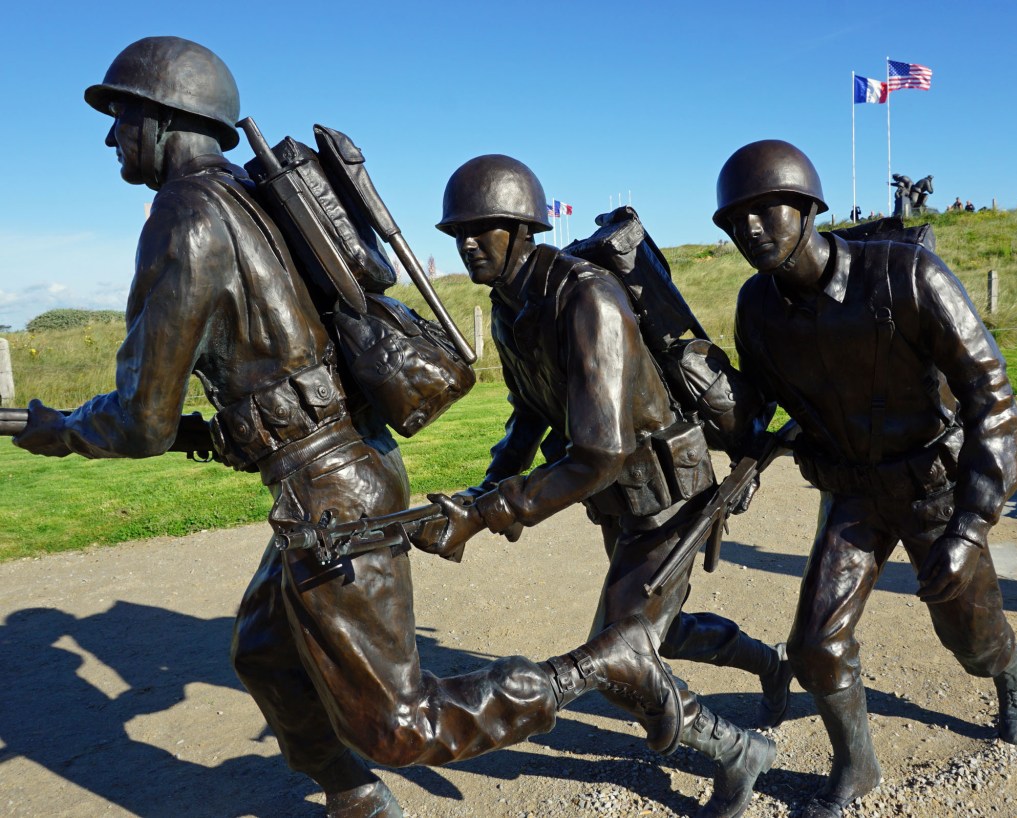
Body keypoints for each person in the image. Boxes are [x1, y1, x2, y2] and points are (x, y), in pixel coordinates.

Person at [13, 37, 689, 818]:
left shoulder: (185, 215)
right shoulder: (252, 200)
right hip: (342, 468)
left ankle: (606, 663)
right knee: (264, 654)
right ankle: (355, 801)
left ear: (167, 119)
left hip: (330, 491)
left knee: (402, 729)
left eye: (122, 114)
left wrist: (57, 426)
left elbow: (140, 419)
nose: (110, 135)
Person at [428, 154, 785, 818]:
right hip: (617, 499)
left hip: (668, 493)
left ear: (523, 227)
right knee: (659, 634)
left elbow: (600, 450)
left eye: (485, 228)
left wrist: (496, 512)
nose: (469, 242)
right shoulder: (510, 307)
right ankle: (770, 665)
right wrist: (480, 494)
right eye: (459, 232)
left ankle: (739, 752)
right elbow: (530, 411)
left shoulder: (585, 295)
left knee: (621, 660)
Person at [713, 139, 1017, 818]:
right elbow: (761, 406)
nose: (750, 229)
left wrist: (972, 525)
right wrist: (711, 400)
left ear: (808, 207)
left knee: (973, 643)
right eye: (735, 220)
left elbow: (992, 396)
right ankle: (857, 765)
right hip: (852, 491)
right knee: (815, 643)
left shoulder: (907, 275)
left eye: (766, 210)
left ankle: (1011, 674)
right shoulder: (756, 308)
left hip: (935, 487)